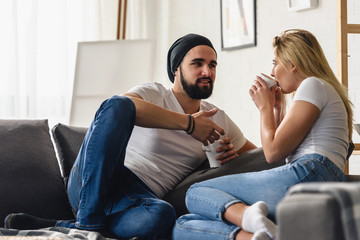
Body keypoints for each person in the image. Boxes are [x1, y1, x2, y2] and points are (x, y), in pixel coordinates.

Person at [5, 34, 256, 239]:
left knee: (163, 216)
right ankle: (88, 223)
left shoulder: (218, 118)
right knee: (118, 104)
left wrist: (267, 116)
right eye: (197, 63)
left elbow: (262, 156)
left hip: (138, 199)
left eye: (212, 65)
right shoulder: (154, 93)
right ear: (176, 68)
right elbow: (115, 108)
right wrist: (189, 124)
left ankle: (70, 225)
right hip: (96, 179)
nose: (207, 71)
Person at [172, 29, 353, 240]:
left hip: (309, 174)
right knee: (183, 225)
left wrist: (264, 108)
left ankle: (250, 217)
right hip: (318, 178)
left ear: (292, 63)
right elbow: (283, 151)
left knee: (195, 193)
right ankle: (256, 234)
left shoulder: (311, 85)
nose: (272, 72)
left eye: (275, 62)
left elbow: (272, 153)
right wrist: (276, 109)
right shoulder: (323, 88)